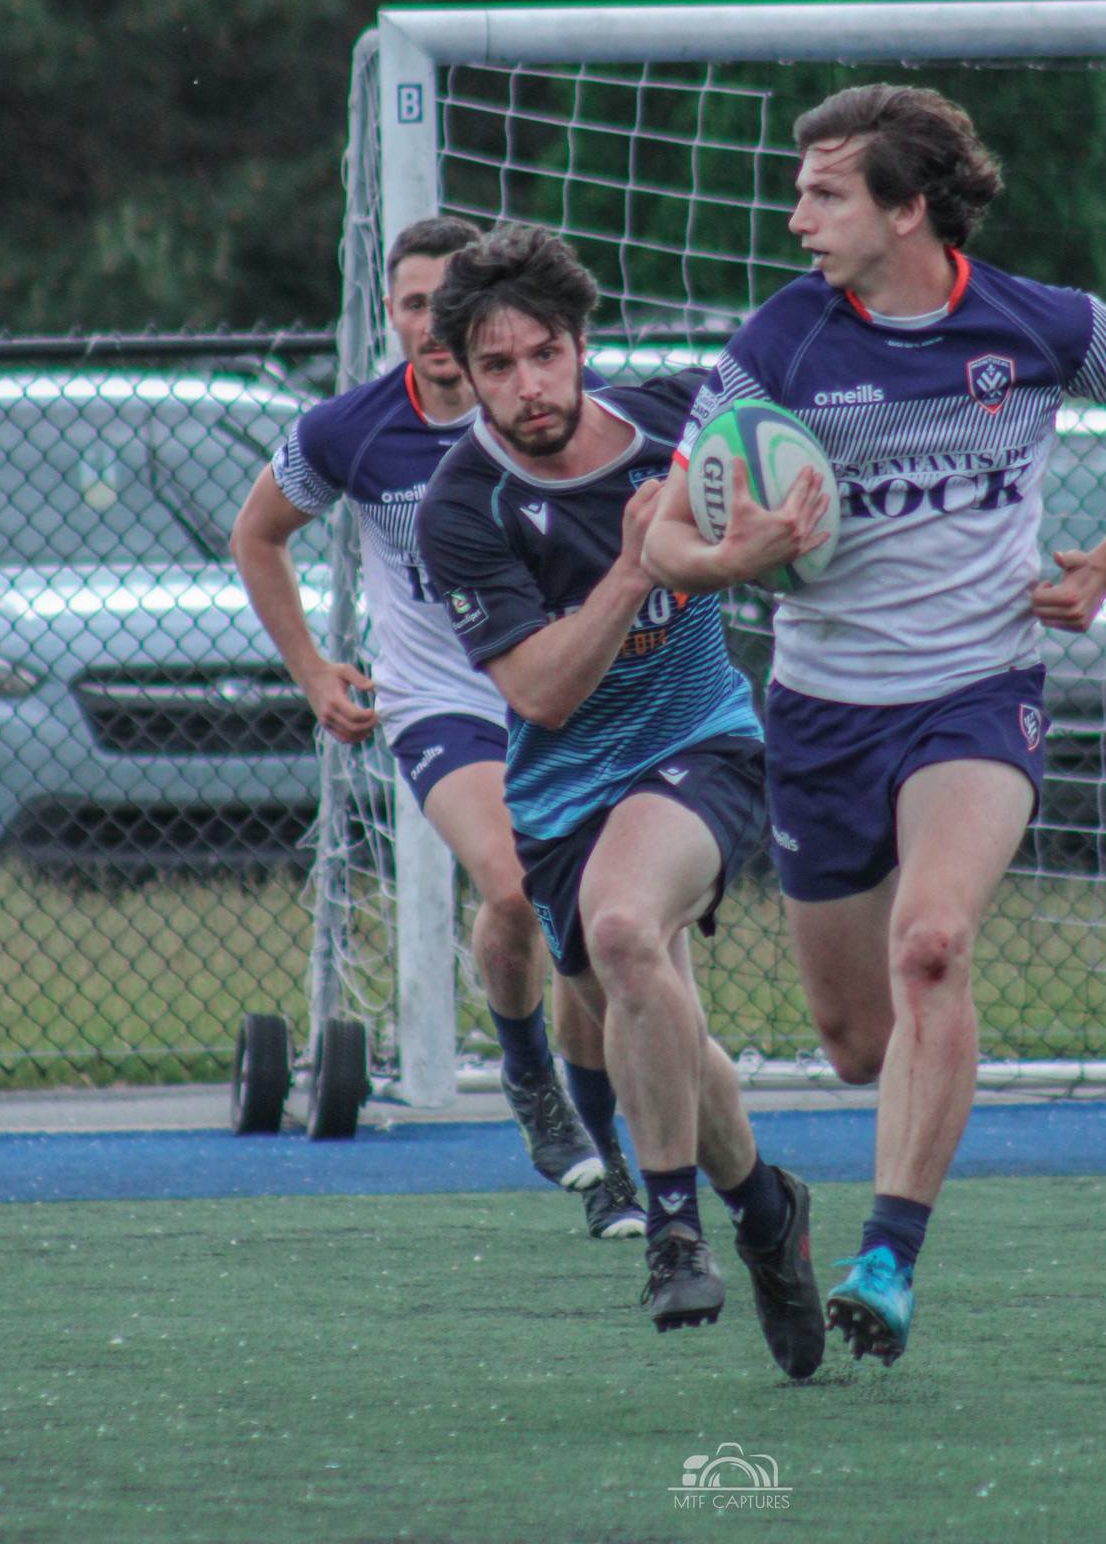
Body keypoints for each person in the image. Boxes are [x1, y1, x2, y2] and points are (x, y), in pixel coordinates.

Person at [643, 82, 1106, 1366]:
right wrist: (741, 556)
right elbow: (665, 540)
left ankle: (889, 1255)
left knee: (935, 945)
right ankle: (806, 1212)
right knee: (856, 1043)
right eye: (799, 191)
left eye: (826, 194)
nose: (797, 217)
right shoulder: (777, 343)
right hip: (823, 712)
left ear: (907, 209)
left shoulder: (1044, 324)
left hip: (979, 691)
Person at [414, 223, 826, 1378]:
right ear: (464, 373)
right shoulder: (463, 505)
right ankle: (767, 1211)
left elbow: (810, 449)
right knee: (660, 1018)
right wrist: (638, 562)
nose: (528, 386)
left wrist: (790, 530)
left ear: (581, 341)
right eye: (497, 366)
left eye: (545, 353)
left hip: (702, 746)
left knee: (626, 926)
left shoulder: (682, 424)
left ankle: (674, 1229)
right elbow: (541, 692)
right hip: (562, 798)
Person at [230, 215, 643, 1238]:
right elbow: (257, 534)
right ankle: (528, 1073)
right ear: (393, 313)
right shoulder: (350, 430)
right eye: (414, 303)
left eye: (447, 301)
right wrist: (312, 668)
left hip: (568, 688)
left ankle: (612, 1147)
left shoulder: (562, 411)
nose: (432, 323)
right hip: (444, 703)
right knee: (516, 884)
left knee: (594, 928)